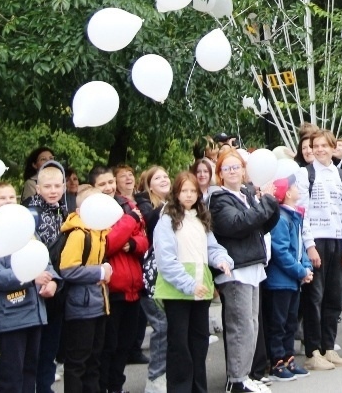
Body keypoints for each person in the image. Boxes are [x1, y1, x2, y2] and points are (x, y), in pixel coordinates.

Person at [209, 146, 280, 393]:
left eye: (236, 167)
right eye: (226, 168)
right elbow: (238, 224)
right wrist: (266, 203)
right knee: (240, 326)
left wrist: (269, 202)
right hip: (235, 269)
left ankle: (245, 375)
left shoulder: (247, 194)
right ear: (220, 173)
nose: (232, 172)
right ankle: (236, 379)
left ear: (243, 170)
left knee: (252, 325)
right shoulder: (219, 199)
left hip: (253, 265)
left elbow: (262, 224)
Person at [155, 172, 234, 393]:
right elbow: (166, 260)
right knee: (179, 345)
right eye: (184, 191)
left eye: (192, 191)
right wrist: (189, 284)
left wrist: (222, 261)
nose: (189, 195)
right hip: (177, 292)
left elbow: (212, 248)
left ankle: (199, 388)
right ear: (176, 193)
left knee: (199, 344)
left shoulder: (200, 218)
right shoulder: (167, 219)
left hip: (201, 290)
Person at [0, 181, 59, 393]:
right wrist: (30, 277)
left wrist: (52, 282)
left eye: (12, 197)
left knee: (30, 373)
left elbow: (46, 263)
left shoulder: (28, 231)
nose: (8, 202)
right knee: (11, 378)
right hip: (10, 315)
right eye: (2, 198)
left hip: (35, 312)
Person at [294, 129, 342, 370]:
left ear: (333, 148)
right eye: (315, 145)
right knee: (314, 297)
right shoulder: (304, 174)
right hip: (316, 240)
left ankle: (329, 347)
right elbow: (302, 212)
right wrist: (310, 246)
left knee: (333, 297)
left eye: (324, 145)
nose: (319, 150)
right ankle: (313, 350)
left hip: (337, 240)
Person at [90, 167, 149, 393]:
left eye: (110, 182)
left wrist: (132, 243)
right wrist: (129, 222)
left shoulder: (127, 205)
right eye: (102, 184)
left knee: (124, 345)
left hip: (133, 285)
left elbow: (143, 240)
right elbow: (107, 244)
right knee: (109, 346)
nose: (108, 187)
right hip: (111, 289)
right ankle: (105, 387)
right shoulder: (94, 212)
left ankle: (117, 386)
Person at [59, 184, 113, 393]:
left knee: (94, 360)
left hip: (98, 303)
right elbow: (68, 270)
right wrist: (99, 272)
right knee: (78, 362)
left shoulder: (99, 233)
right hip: (81, 307)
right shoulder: (79, 234)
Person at [24, 161, 70, 393]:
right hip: (36, 287)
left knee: (50, 348)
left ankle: (45, 387)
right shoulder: (29, 213)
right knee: (34, 349)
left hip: (59, 288)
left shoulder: (65, 212)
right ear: (38, 188)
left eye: (57, 186)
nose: (53, 191)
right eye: (48, 186)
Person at [262, 175, 313, 382]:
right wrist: (301, 270)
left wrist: (306, 266)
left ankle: (288, 357)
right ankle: (276, 362)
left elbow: (300, 247)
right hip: (280, 281)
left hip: (292, 281)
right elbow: (281, 252)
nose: (297, 188)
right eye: (293, 186)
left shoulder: (294, 217)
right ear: (287, 194)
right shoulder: (281, 219)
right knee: (279, 323)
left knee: (290, 321)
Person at [135, 166, 172, 393]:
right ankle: (155, 378)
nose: (164, 179)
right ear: (149, 185)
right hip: (150, 276)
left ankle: (167, 374)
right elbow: (149, 223)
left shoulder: (175, 205)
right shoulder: (145, 206)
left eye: (166, 176)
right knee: (161, 325)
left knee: (170, 326)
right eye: (158, 177)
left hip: (171, 273)